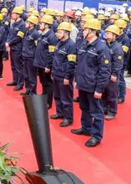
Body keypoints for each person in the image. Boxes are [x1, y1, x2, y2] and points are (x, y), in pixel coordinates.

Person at [71, 19, 110, 147]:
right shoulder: (83, 44)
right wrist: (76, 79)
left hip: (93, 86)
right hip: (83, 83)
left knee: (96, 112)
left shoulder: (101, 47)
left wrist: (99, 89)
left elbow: (104, 71)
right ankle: (86, 128)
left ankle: (96, 136)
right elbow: (78, 64)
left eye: (85, 30)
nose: (83, 31)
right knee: (84, 108)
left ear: (93, 32)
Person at [50, 22, 77, 126]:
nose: (58, 34)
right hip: (56, 73)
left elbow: (71, 63)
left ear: (66, 33)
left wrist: (67, 77)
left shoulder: (71, 45)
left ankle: (68, 118)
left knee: (66, 98)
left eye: (60, 32)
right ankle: (60, 113)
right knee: (57, 96)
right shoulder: (58, 43)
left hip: (64, 76)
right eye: (57, 32)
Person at [34, 14, 58, 109]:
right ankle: (44, 97)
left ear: (47, 25)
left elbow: (51, 53)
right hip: (40, 63)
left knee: (48, 83)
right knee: (43, 82)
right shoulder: (42, 34)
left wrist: (48, 65)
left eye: (41, 23)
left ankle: (48, 102)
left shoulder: (51, 37)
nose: (40, 25)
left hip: (46, 64)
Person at [103, 25, 124, 120]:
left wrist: (114, 74)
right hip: (104, 73)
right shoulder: (104, 44)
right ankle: (104, 108)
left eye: (108, 33)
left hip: (111, 74)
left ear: (114, 35)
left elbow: (118, 62)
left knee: (112, 94)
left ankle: (112, 111)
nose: (106, 34)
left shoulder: (117, 47)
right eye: (106, 32)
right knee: (104, 92)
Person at [6, 6, 26, 91]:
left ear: (18, 15)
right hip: (12, 47)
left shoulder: (22, 25)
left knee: (18, 67)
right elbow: (10, 34)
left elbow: (19, 37)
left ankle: (20, 83)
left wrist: (9, 43)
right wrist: (7, 43)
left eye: (13, 14)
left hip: (18, 48)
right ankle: (15, 80)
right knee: (13, 65)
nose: (12, 15)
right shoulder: (14, 23)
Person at [21, 15, 40, 96]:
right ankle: (28, 90)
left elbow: (37, 47)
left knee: (32, 76)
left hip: (31, 57)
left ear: (32, 24)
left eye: (28, 22)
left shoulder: (35, 34)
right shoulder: (27, 31)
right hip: (25, 55)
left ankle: (32, 92)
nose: (26, 23)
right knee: (26, 75)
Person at [115, 19, 131, 104]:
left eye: (119, 28)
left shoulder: (125, 39)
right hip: (114, 61)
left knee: (120, 79)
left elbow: (124, 52)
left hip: (122, 62)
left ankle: (121, 96)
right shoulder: (115, 37)